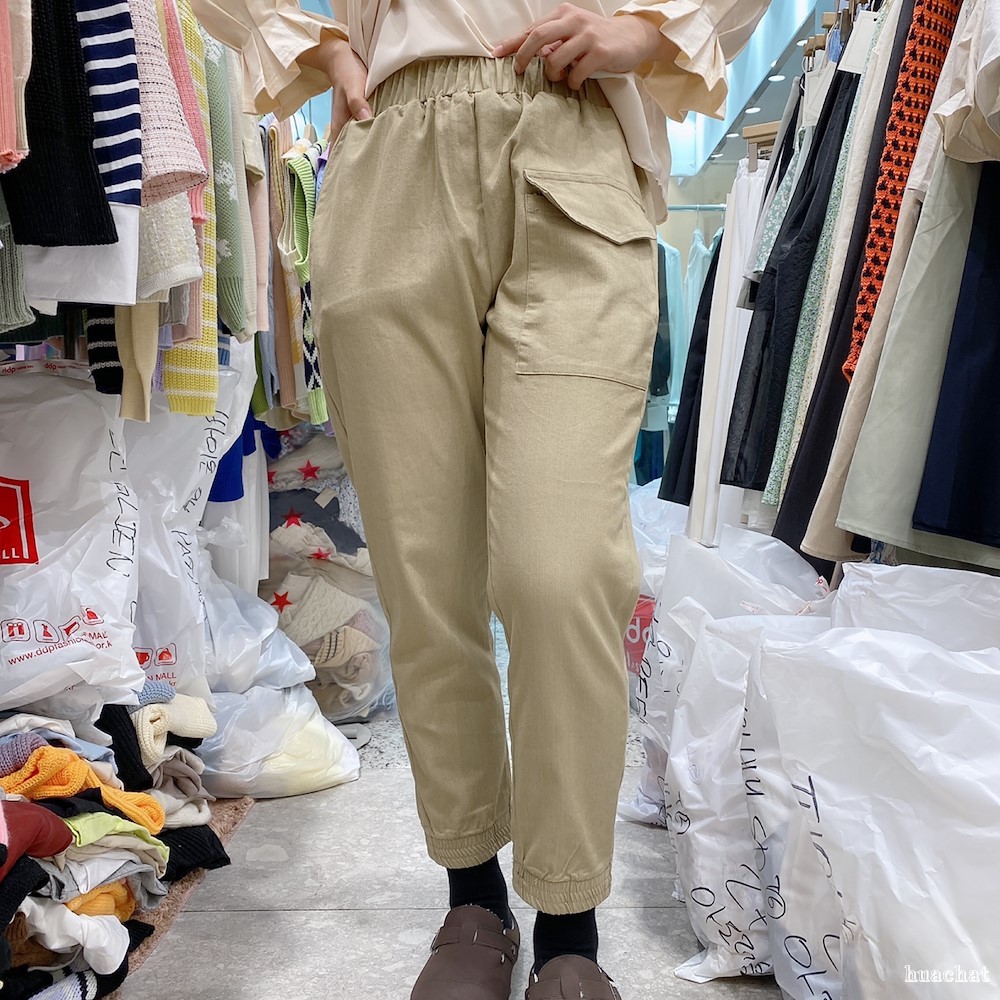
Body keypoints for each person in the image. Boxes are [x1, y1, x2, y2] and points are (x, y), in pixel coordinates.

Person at [194, 2, 769, 996]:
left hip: (575, 135)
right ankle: (473, 894)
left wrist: (656, 28)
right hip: (392, 153)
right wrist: (312, 42)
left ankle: (570, 922)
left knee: (562, 570)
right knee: (426, 576)